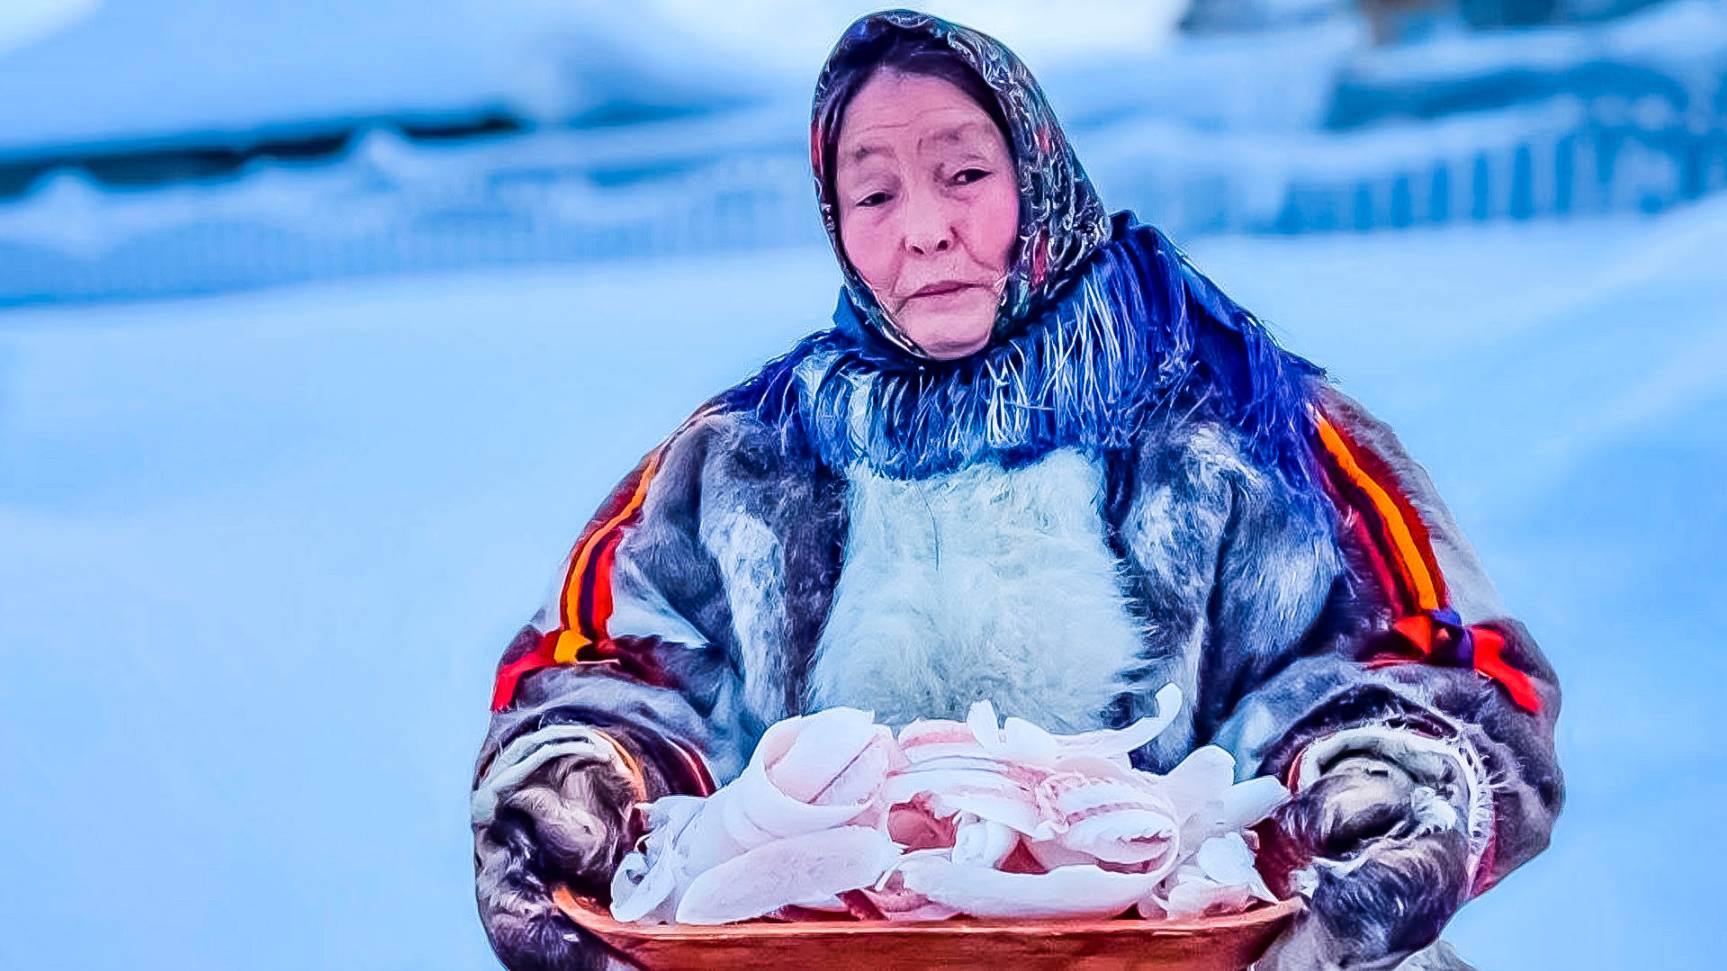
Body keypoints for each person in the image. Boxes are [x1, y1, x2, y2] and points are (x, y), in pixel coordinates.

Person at [469, 10, 1563, 970]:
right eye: (873, 192)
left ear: (1036, 172)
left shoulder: (1243, 426)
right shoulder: (743, 463)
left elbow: (1441, 666)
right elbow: (596, 671)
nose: (924, 228)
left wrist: (1380, 789)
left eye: (963, 174)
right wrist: (586, 784)